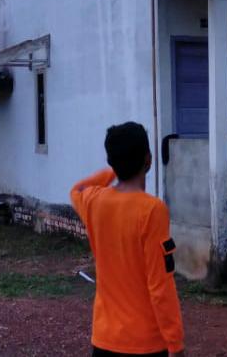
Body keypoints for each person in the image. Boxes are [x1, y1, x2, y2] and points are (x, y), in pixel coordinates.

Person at [69, 121, 185, 357]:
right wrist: (175, 343)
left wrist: (114, 168)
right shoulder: (152, 210)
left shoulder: (94, 201)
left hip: (104, 339)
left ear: (112, 161)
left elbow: (77, 189)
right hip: (146, 343)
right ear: (148, 159)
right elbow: (160, 285)